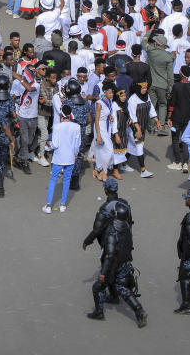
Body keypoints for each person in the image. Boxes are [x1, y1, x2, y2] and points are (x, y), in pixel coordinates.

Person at [86, 199, 147, 327]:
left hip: (113, 265)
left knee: (97, 288)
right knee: (122, 287)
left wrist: (103, 272)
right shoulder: (127, 227)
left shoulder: (111, 233)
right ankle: (139, 310)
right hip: (124, 262)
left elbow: (110, 255)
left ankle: (99, 312)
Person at [43, 104, 81, 213]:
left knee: (53, 180)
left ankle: (49, 205)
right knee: (66, 180)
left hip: (59, 157)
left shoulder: (57, 127)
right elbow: (77, 145)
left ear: (61, 114)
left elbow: (55, 145)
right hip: (70, 157)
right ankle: (63, 205)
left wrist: (48, 143)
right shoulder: (76, 127)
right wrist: (75, 155)